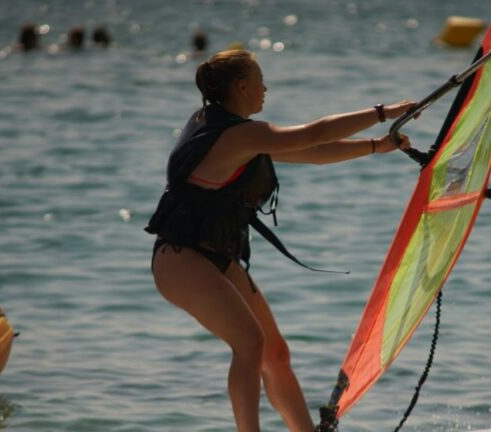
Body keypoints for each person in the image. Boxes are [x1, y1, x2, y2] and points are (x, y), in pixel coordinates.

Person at [145, 49, 415, 432]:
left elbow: (313, 152)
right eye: (260, 81)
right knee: (250, 343)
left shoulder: (234, 129)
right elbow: (313, 133)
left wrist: (376, 145)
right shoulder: (236, 133)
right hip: (181, 259)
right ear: (241, 86)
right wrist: (383, 111)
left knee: (275, 353)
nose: (265, 88)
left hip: (212, 256)